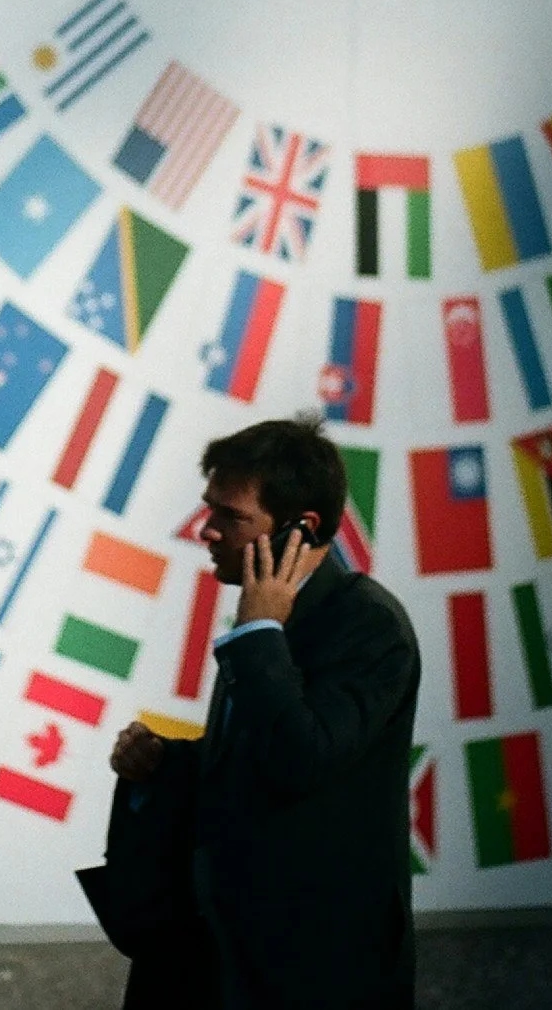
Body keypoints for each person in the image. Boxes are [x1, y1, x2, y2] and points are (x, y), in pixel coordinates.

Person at [90, 417, 420, 1009]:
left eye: (230, 517)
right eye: (208, 509)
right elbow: (253, 764)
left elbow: (303, 760)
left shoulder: (369, 627)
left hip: (313, 972)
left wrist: (261, 632)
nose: (207, 531)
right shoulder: (265, 616)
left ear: (301, 528)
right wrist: (162, 762)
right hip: (217, 952)